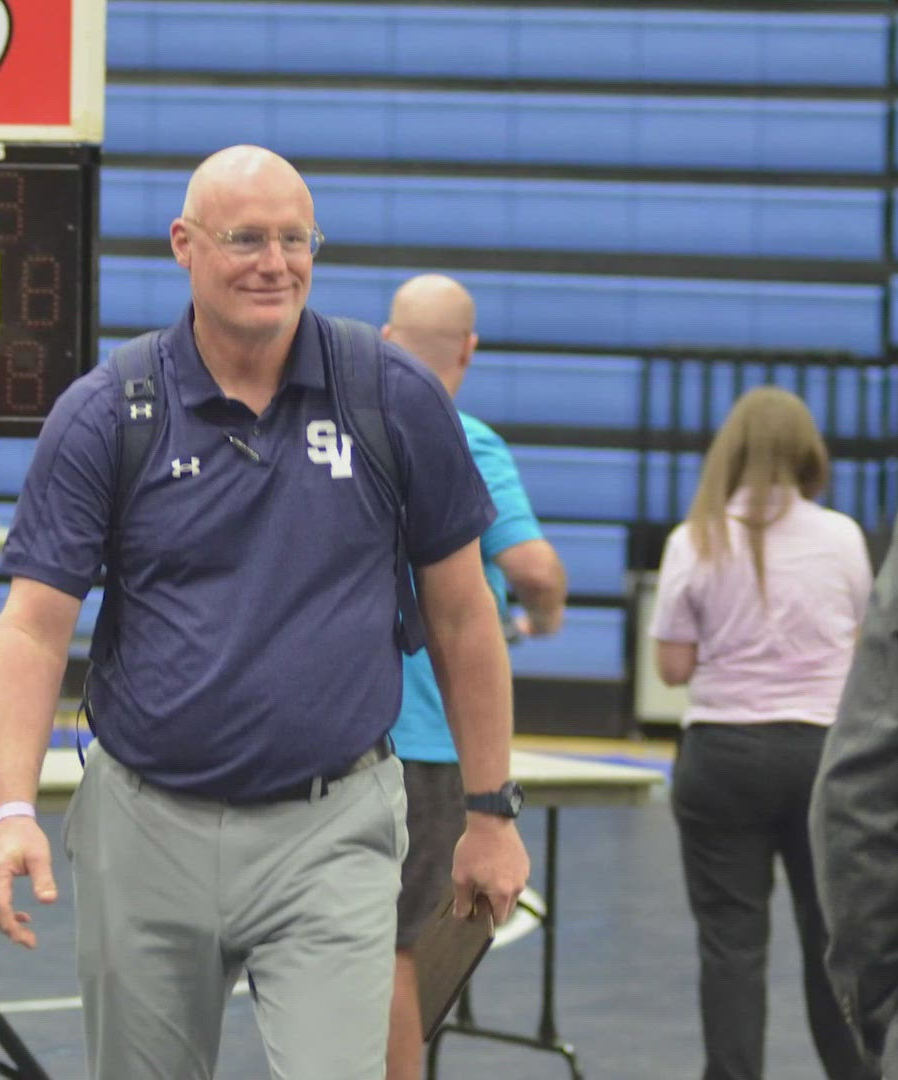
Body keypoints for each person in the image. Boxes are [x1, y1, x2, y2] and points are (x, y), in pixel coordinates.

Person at [0, 145, 530, 1080]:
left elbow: (466, 618)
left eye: (293, 238)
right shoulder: (108, 413)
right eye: (245, 239)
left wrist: (492, 812)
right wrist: (11, 811)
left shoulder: (392, 400)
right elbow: (32, 627)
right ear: (183, 246)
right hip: (145, 825)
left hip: (333, 826)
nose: (275, 262)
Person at [649, 386, 878, 1080]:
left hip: (723, 756)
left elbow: (674, 665)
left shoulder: (695, 539)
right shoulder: (842, 536)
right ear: (808, 452)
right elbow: (867, 647)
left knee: (732, 946)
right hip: (822, 758)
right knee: (834, 939)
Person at [378, 273, 568, 1079]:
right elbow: (534, 568)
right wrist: (546, 614)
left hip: (348, 727)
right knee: (399, 949)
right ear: (471, 349)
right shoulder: (467, 439)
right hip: (429, 737)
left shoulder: (353, 433)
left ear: (386, 342)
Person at [809, 486, 898, 1079]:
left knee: (732, 943)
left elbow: (858, 797)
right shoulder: (839, 538)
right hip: (806, 732)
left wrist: (886, 1005)